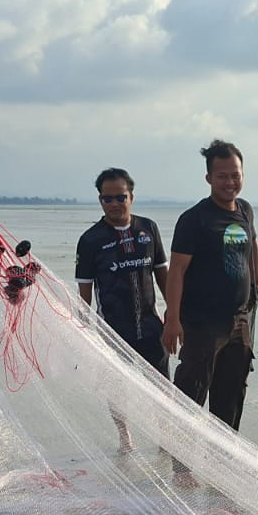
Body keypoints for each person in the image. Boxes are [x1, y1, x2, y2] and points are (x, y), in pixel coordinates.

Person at [162, 139, 258, 432]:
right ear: (209, 178)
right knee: (190, 394)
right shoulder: (195, 220)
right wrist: (172, 319)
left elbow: (252, 243)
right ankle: (181, 468)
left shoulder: (245, 210)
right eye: (222, 176)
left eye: (235, 174)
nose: (230, 182)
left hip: (239, 320)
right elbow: (177, 270)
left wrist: (255, 280)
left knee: (231, 395)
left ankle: (223, 463)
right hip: (202, 323)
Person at [75, 168, 169, 450]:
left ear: (132, 196)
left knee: (162, 388)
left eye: (120, 197)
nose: (115, 204)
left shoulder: (148, 228)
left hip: (151, 325)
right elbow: (84, 290)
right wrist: (84, 328)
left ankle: (165, 438)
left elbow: (162, 273)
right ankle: (124, 437)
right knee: (118, 389)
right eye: (108, 199)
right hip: (113, 330)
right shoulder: (91, 239)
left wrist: (175, 312)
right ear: (100, 200)